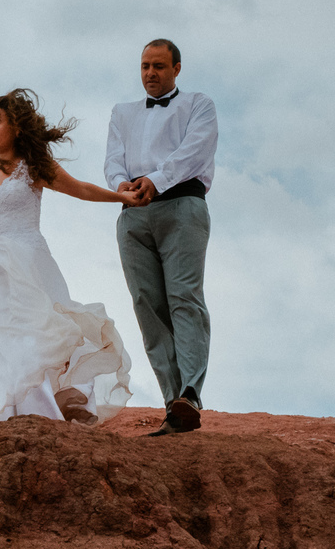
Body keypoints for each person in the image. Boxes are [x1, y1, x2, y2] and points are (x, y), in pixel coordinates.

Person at [0, 88, 134, 428]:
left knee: (39, 337)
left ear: (15, 127)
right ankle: (24, 411)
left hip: (32, 265)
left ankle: (48, 411)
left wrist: (122, 198)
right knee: (6, 345)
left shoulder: (32, 168)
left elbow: (81, 189)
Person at [105, 39, 217, 436]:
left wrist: (157, 178)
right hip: (132, 212)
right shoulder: (122, 112)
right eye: (144, 66)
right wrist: (122, 185)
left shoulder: (198, 105)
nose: (150, 73)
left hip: (181, 205)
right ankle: (174, 404)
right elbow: (113, 159)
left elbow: (194, 151)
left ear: (177, 68)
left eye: (158, 66)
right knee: (145, 304)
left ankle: (190, 391)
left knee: (184, 297)